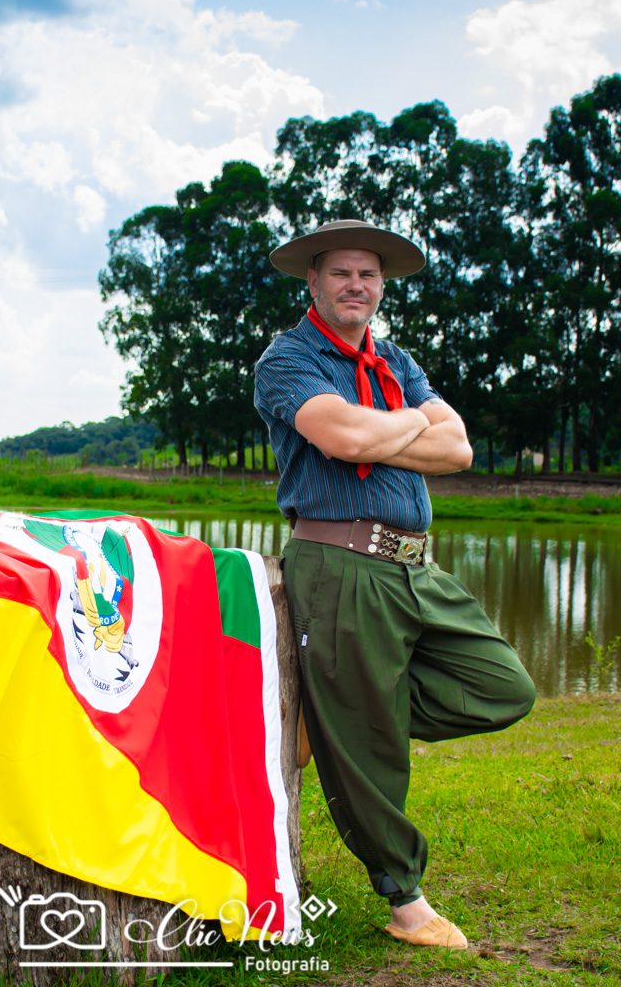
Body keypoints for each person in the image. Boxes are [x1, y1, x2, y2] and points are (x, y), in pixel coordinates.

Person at [253, 219, 536, 950]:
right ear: (314, 281)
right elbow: (342, 438)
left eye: (368, 274)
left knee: (504, 685)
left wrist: (382, 424)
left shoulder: (395, 361)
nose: (356, 285)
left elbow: (459, 449)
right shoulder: (289, 359)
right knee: (371, 743)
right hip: (340, 561)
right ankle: (404, 900)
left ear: (381, 286)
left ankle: (336, 715)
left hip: (415, 566)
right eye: (341, 273)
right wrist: (410, 423)